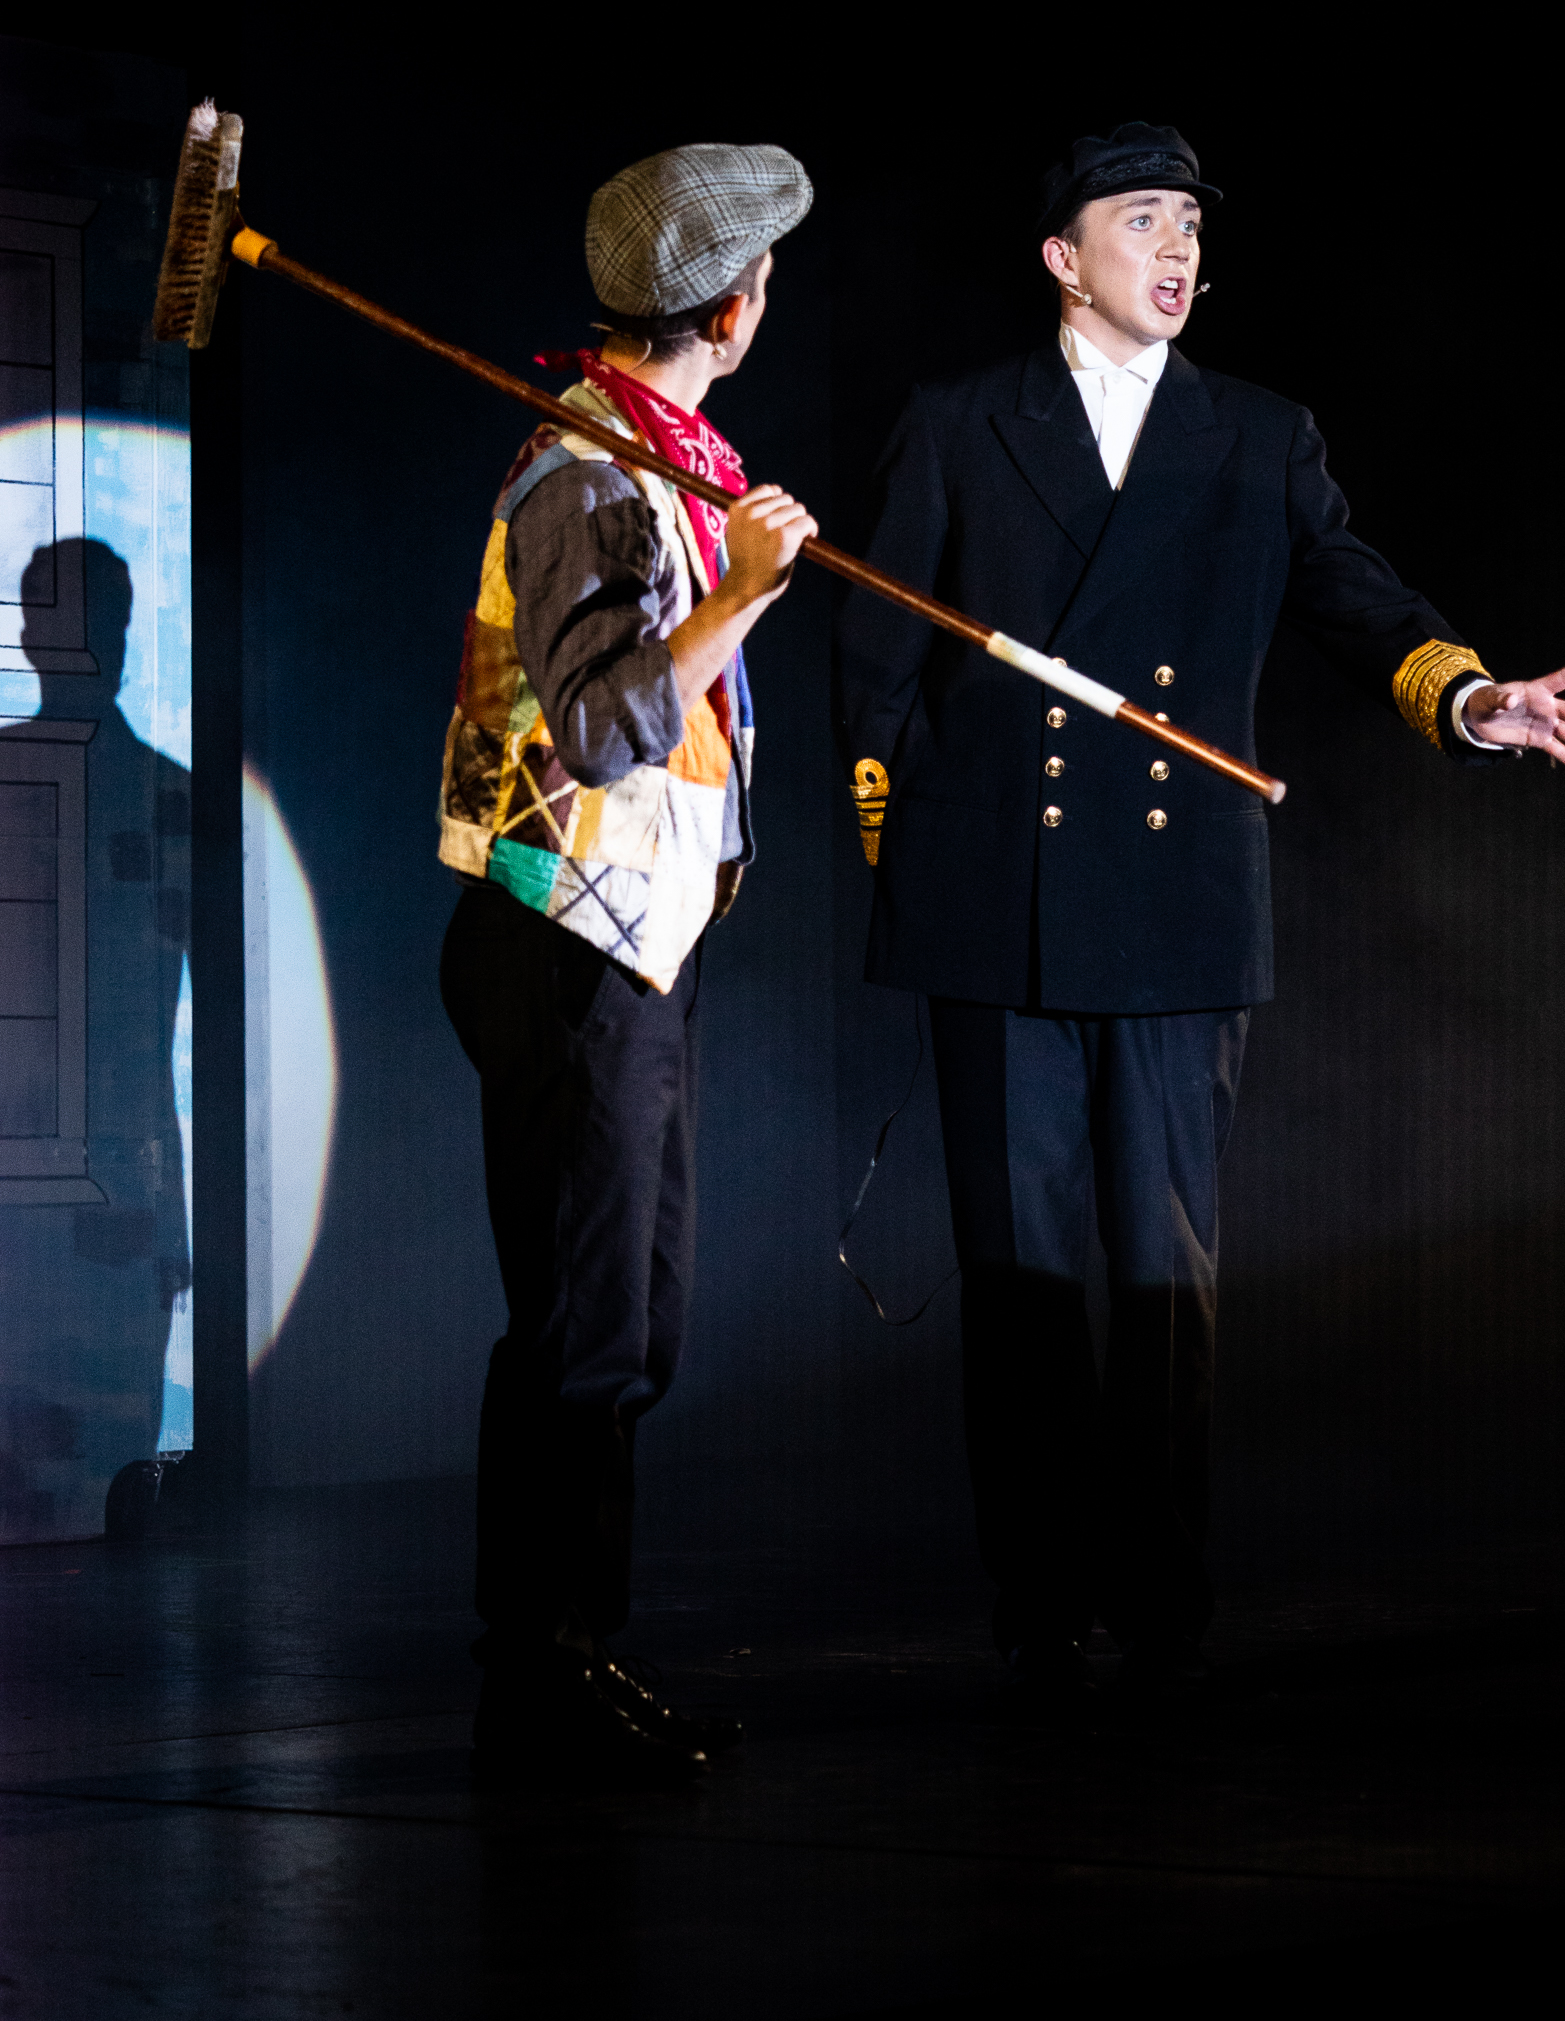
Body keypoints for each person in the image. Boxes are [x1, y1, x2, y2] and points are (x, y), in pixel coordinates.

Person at [831, 122, 1565, 1709]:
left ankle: (1162, 1601)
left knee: (1164, 1277)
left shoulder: (1257, 435)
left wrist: (1466, 699)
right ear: (1061, 256)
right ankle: (1037, 1602)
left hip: (1175, 904)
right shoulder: (958, 423)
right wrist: (904, 849)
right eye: (1140, 220)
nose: (1174, 250)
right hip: (997, 902)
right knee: (1019, 1276)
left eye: (1187, 226)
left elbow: (1356, 597)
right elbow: (873, 664)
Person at [439, 143, 817, 1781]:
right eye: (766, 282)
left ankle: (564, 1652)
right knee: (586, 1327)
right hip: (564, 945)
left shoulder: (656, 459)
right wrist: (746, 596)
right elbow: (600, 726)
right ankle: (546, 1667)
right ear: (730, 311)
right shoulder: (582, 479)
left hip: (629, 949)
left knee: (628, 1322)